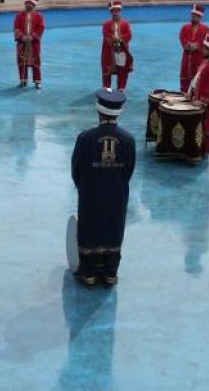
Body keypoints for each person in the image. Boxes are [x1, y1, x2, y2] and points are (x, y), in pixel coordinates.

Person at [71, 89, 136, 286]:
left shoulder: (85, 138)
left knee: (90, 227)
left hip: (91, 192)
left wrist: (85, 187)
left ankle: (89, 273)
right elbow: (129, 171)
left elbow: (76, 169)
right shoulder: (128, 140)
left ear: (98, 111)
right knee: (113, 226)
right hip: (116, 193)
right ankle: (110, 273)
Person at [100, 0, 133, 92]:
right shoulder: (106, 24)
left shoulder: (126, 24)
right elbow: (106, 34)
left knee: (122, 70)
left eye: (117, 10)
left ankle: (121, 88)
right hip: (110, 51)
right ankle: (107, 87)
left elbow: (129, 35)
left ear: (120, 11)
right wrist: (115, 39)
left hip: (122, 51)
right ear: (110, 12)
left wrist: (120, 39)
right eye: (113, 11)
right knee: (107, 68)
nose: (115, 13)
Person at [14, 0, 45, 89]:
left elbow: (41, 27)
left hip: (34, 43)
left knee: (36, 62)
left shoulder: (39, 17)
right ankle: (23, 80)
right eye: (26, 3)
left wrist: (33, 37)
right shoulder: (19, 16)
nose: (27, 5)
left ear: (34, 5)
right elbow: (16, 27)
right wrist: (21, 36)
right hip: (22, 43)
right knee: (21, 62)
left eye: (30, 3)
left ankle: (37, 81)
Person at [178, 5, 209, 91]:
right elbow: (182, 38)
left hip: (198, 58)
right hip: (187, 59)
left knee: (198, 83)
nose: (193, 17)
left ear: (199, 17)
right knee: (184, 82)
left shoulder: (206, 29)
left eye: (195, 16)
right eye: (192, 15)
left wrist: (197, 46)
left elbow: (206, 41)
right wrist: (188, 45)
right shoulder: (185, 27)